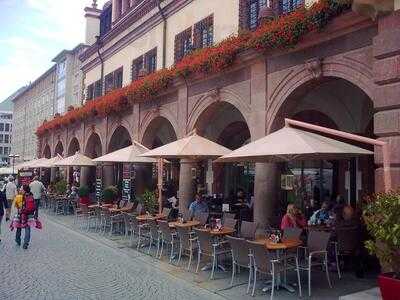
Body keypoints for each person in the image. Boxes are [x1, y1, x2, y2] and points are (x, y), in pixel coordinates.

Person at [11, 185, 36, 249]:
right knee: (28, 229)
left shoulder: (19, 196)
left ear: (24, 190)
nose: (20, 190)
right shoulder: (31, 196)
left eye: (22, 189)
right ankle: (26, 243)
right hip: (30, 214)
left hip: (22, 213)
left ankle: (18, 240)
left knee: (19, 227)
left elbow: (15, 206)